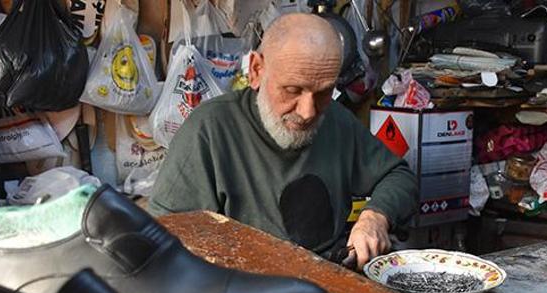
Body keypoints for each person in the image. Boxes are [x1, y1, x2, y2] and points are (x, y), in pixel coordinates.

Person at [148, 13, 417, 269]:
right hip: (239, 287)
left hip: (331, 278)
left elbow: (399, 176)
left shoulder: (335, 120)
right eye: (292, 90)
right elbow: (166, 239)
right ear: (256, 70)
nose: (307, 112)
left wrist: (375, 217)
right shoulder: (209, 129)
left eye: (323, 92)